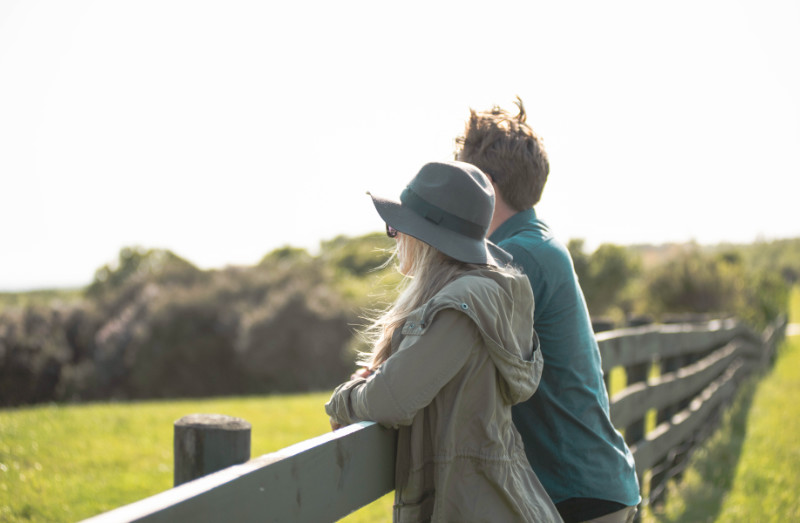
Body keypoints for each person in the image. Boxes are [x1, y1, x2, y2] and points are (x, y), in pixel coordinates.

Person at [325, 160, 562, 522]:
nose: (395, 236)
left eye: (397, 227)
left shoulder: (459, 307)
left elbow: (391, 400)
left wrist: (344, 400)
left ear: (424, 236)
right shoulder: (482, 296)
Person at [454, 99, 641, 523]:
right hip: (586, 487)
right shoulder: (533, 245)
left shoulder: (517, 256)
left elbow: (450, 342)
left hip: (576, 494)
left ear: (484, 184)